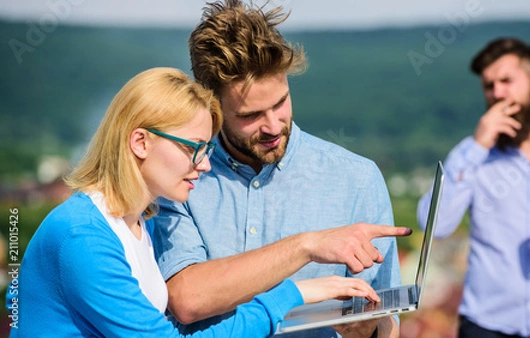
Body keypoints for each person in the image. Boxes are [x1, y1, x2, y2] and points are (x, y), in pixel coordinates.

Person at [10, 67, 385, 337]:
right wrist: (292, 294)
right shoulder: (82, 236)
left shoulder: (139, 224)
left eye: (207, 148)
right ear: (140, 142)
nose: (204, 164)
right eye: (193, 149)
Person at [151, 1, 409, 337]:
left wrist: (369, 330)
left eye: (280, 102)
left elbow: (388, 321)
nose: (273, 126)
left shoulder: (358, 179)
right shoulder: (181, 178)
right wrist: (305, 247)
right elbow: (187, 299)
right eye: (251, 115)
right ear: (211, 105)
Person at [417, 37, 530, 338]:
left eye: (506, 81)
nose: (497, 93)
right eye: (489, 86)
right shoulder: (471, 154)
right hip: (485, 325)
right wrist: (477, 146)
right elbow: (433, 225)